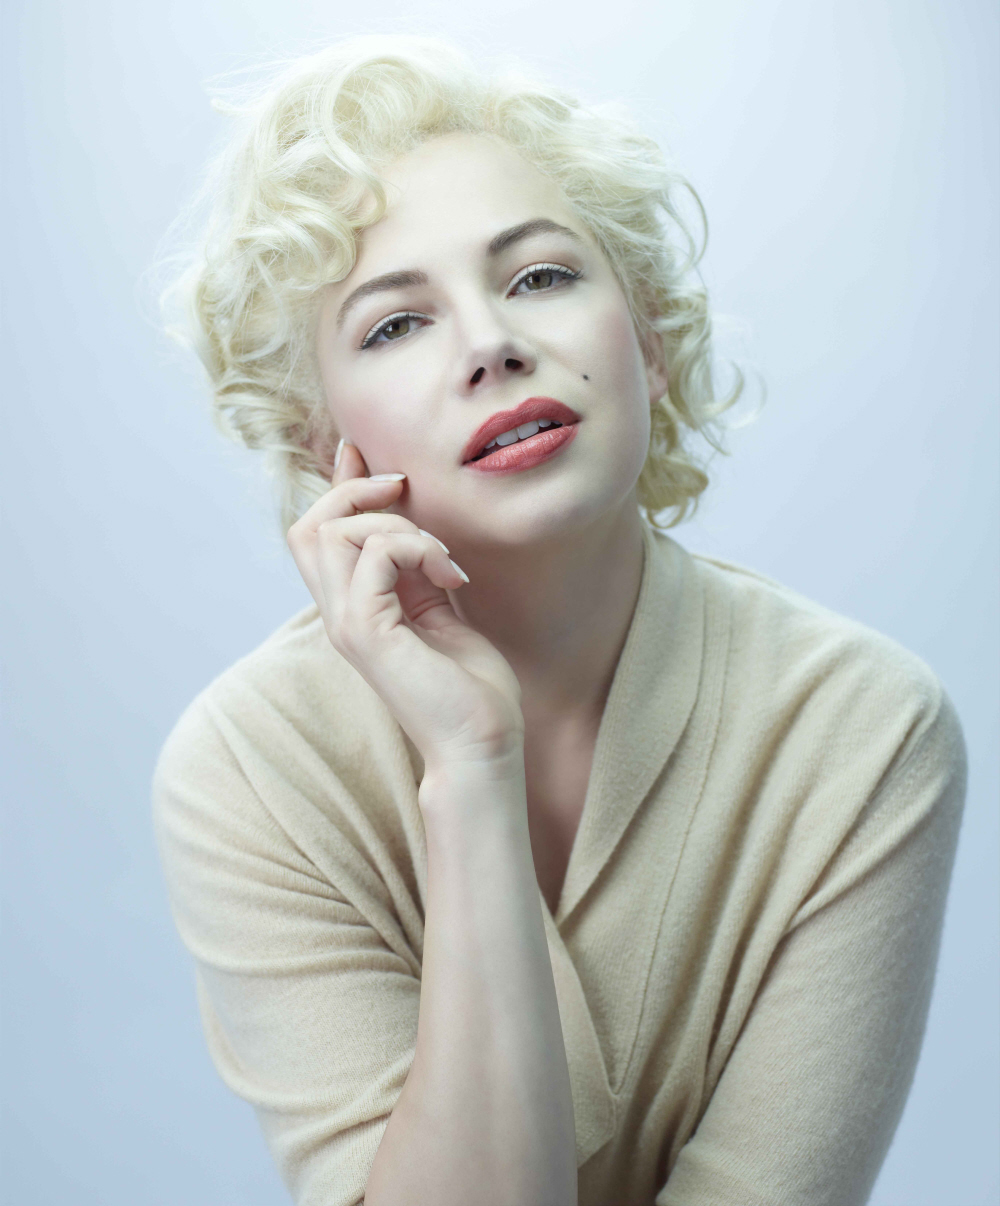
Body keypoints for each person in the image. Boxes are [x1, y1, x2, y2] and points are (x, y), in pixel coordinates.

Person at [152, 34, 967, 1206]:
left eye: (538, 277)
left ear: (650, 341)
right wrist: (468, 765)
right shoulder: (252, 766)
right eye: (395, 325)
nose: (492, 345)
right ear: (325, 447)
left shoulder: (860, 726)